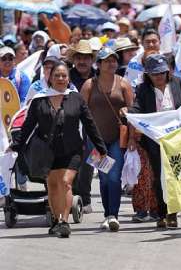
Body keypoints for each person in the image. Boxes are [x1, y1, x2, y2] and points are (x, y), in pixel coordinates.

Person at [13, 61, 107, 238]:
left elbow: (90, 124)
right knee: (53, 186)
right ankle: (56, 221)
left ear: (68, 78)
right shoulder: (39, 99)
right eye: (57, 75)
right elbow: (28, 126)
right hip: (47, 151)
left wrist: (100, 147)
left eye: (64, 75)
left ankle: (64, 221)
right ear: (50, 78)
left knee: (65, 182)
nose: (61, 78)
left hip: (72, 150)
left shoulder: (76, 98)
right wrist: (17, 145)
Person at [129, 54, 181, 229]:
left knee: (175, 175)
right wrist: (128, 112)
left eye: (162, 73)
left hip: (177, 138)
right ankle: (162, 213)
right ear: (147, 74)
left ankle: (173, 212)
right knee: (159, 177)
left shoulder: (178, 83)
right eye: (154, 74)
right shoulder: (143, 89)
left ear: (168, 71)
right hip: (154, 139)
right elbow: (137, 107)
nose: (159, 77)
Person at [80, 47, 134, 232]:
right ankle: (107, 214)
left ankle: (114, 216)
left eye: (113, 60)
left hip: (118, 139)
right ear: (99, 64)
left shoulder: (124, 83)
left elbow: (134, 111)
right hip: (95, 141)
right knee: (103, 179)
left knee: (114, 177)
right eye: (106, 61)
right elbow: (81, 112)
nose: (111, 63)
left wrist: (128, 114)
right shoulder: (89, 85)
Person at [67, 39, 97, 213]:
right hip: (69, 127)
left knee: (88, 164)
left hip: (92, 128)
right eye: (79, 57)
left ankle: (84, 198)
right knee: (71, 164)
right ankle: (71, 196)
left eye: (86, 57)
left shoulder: (98, 77)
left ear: (91, 59)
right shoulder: (66, 76)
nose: (82, 61)